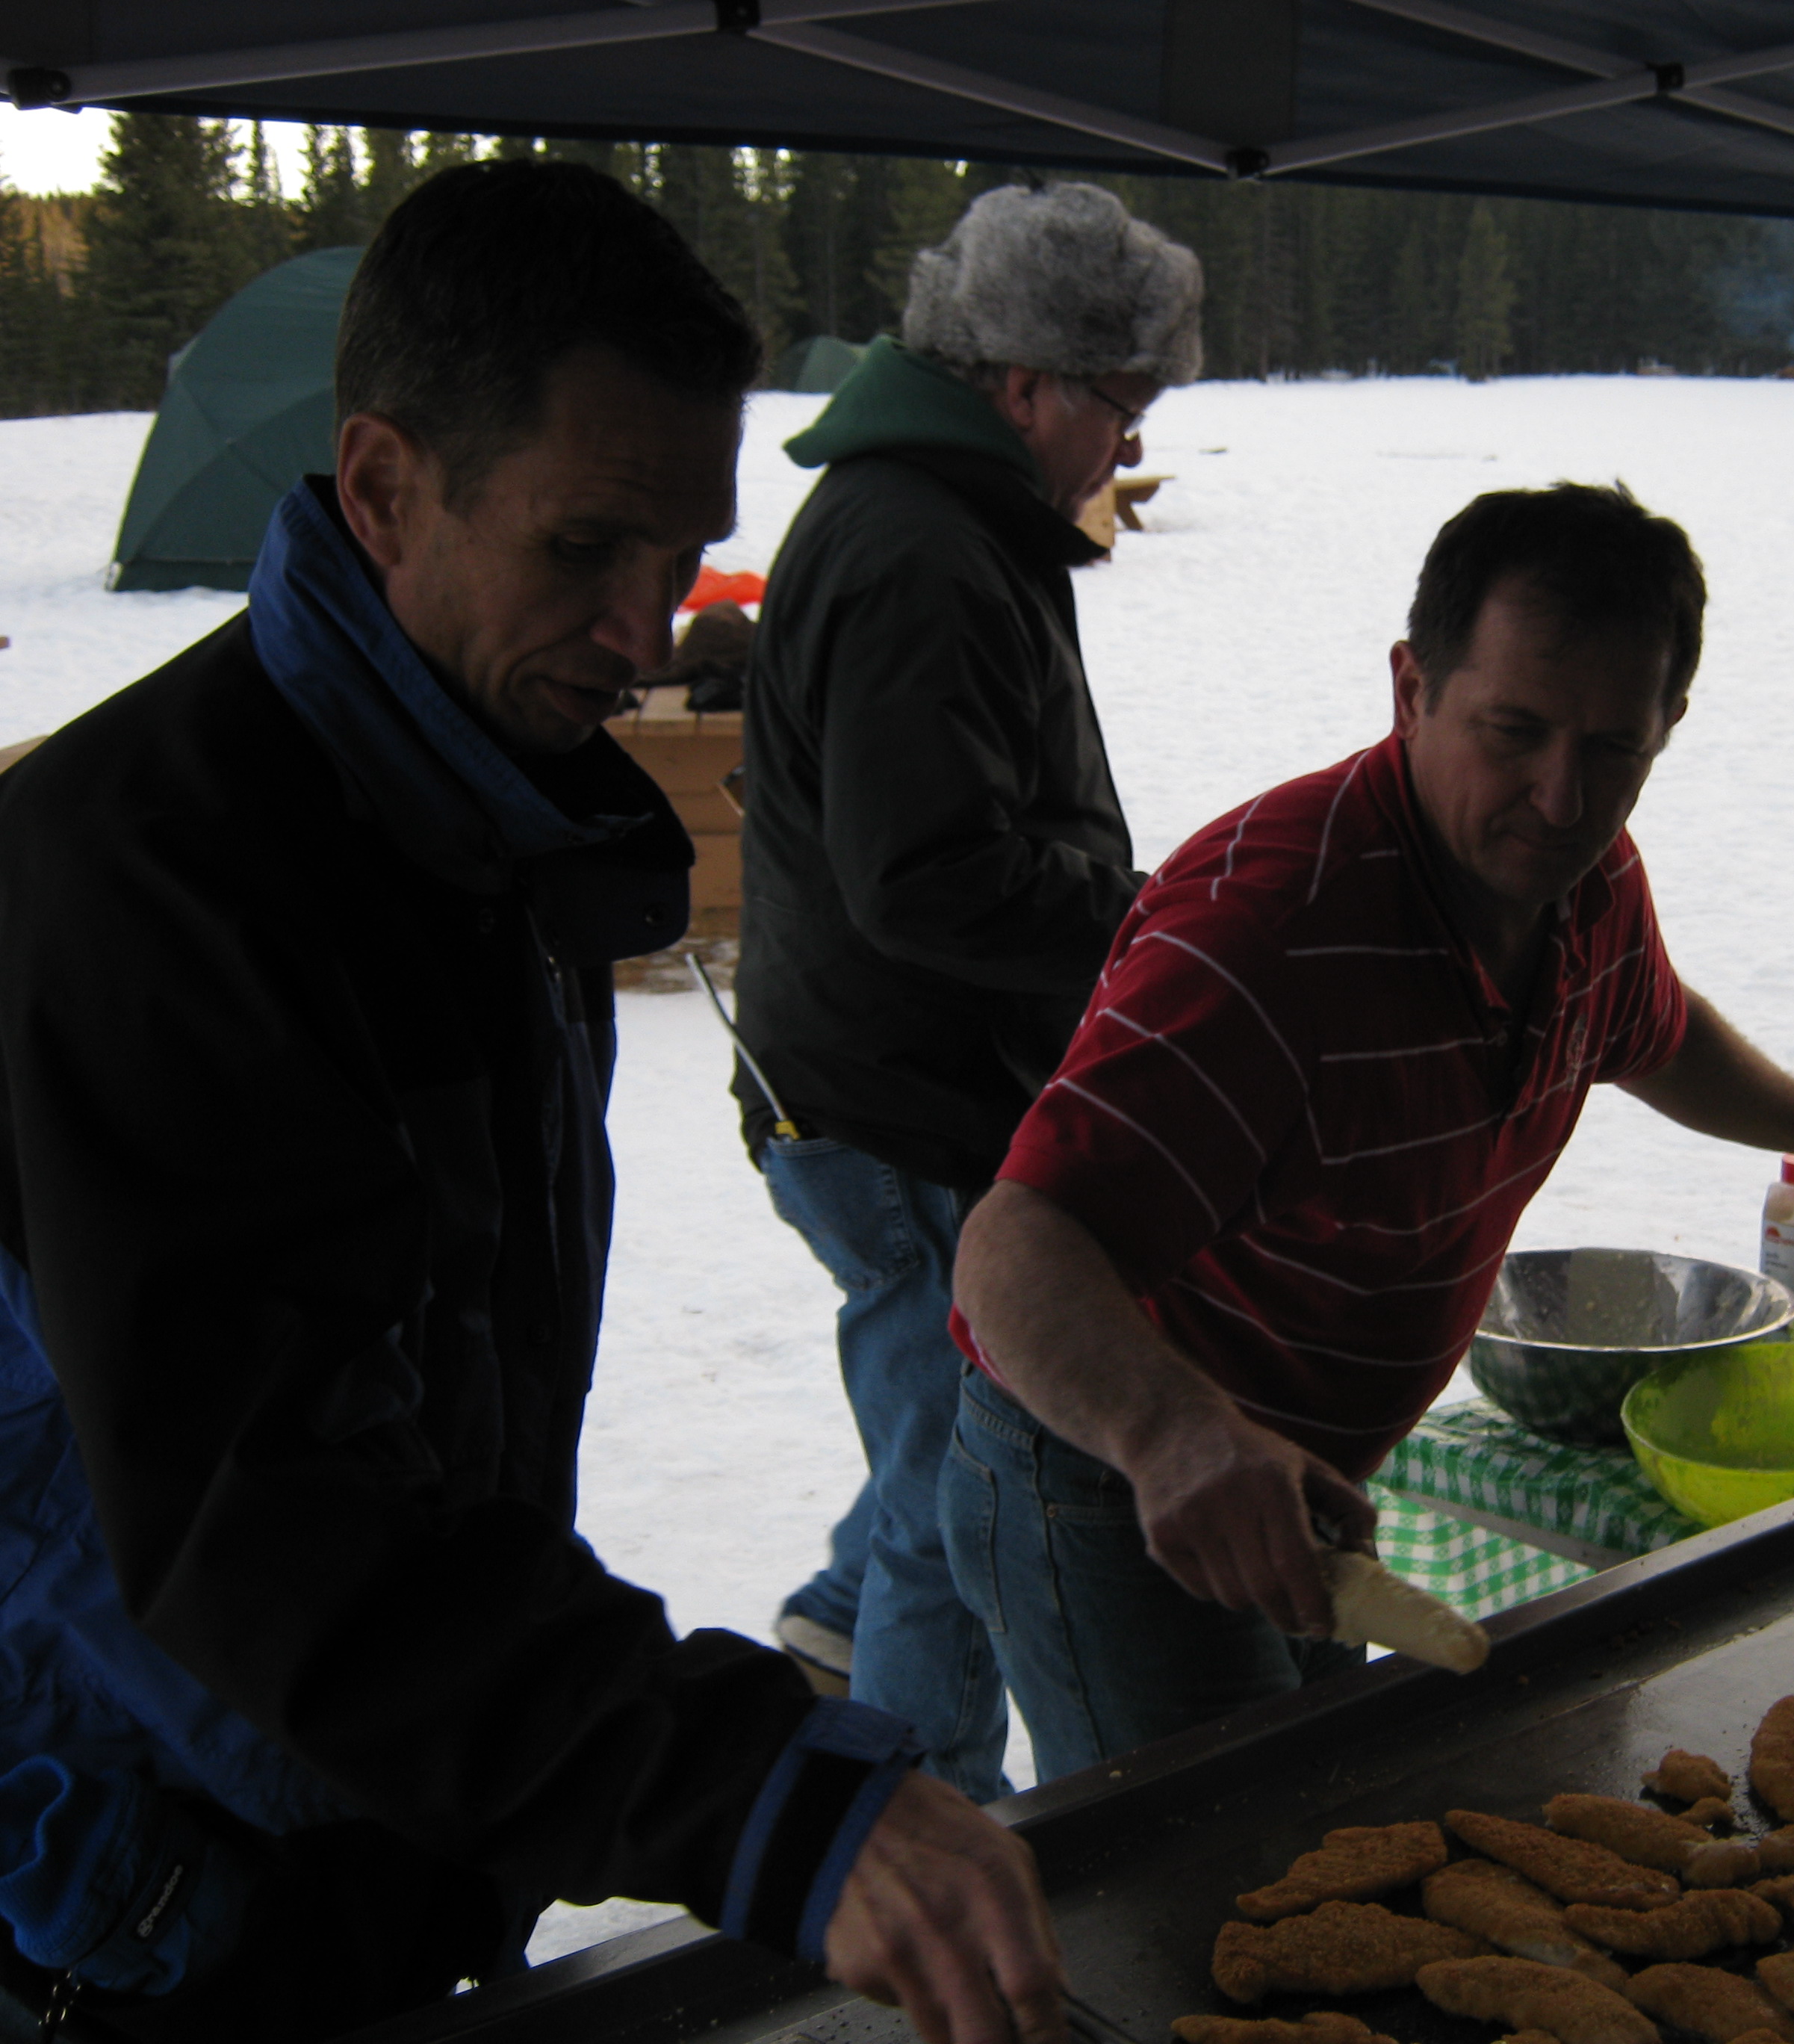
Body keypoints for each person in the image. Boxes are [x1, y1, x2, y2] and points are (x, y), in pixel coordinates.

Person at [0, 161, 1060, 2043]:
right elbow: (271, 1510)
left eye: (682, 556)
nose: (646, 631)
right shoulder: (146, 885)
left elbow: (455, 1418)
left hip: (385, 1804)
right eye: (584, 549)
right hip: (136, 1881)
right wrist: (741, 1785)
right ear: (384, 487)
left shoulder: (479, 812)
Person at [947, 483, 1794, 1778]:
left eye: (1613, 748)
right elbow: (1015, 1244)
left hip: (1305, 1474)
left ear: (1668, 725)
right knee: (1215, 1860)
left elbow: (1654, 1032)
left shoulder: (1586, 887)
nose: (1560, 798)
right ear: (1412, 689)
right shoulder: (1267, 934)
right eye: (1515, 732)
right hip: (1113, 1470)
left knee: (1319, 1810)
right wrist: (1174, 1435)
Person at [732, 182, 1196, 1799]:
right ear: (1021, 382)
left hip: (902, 1080)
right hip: (890, 1105)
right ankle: (926, 1815)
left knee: (937, 1416)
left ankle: (837, 1620)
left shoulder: (952, 515)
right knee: (959, 1480)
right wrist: (1145, 923)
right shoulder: (915, 550)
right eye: (1118, 403)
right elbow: (926, 873)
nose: (1124, 444)